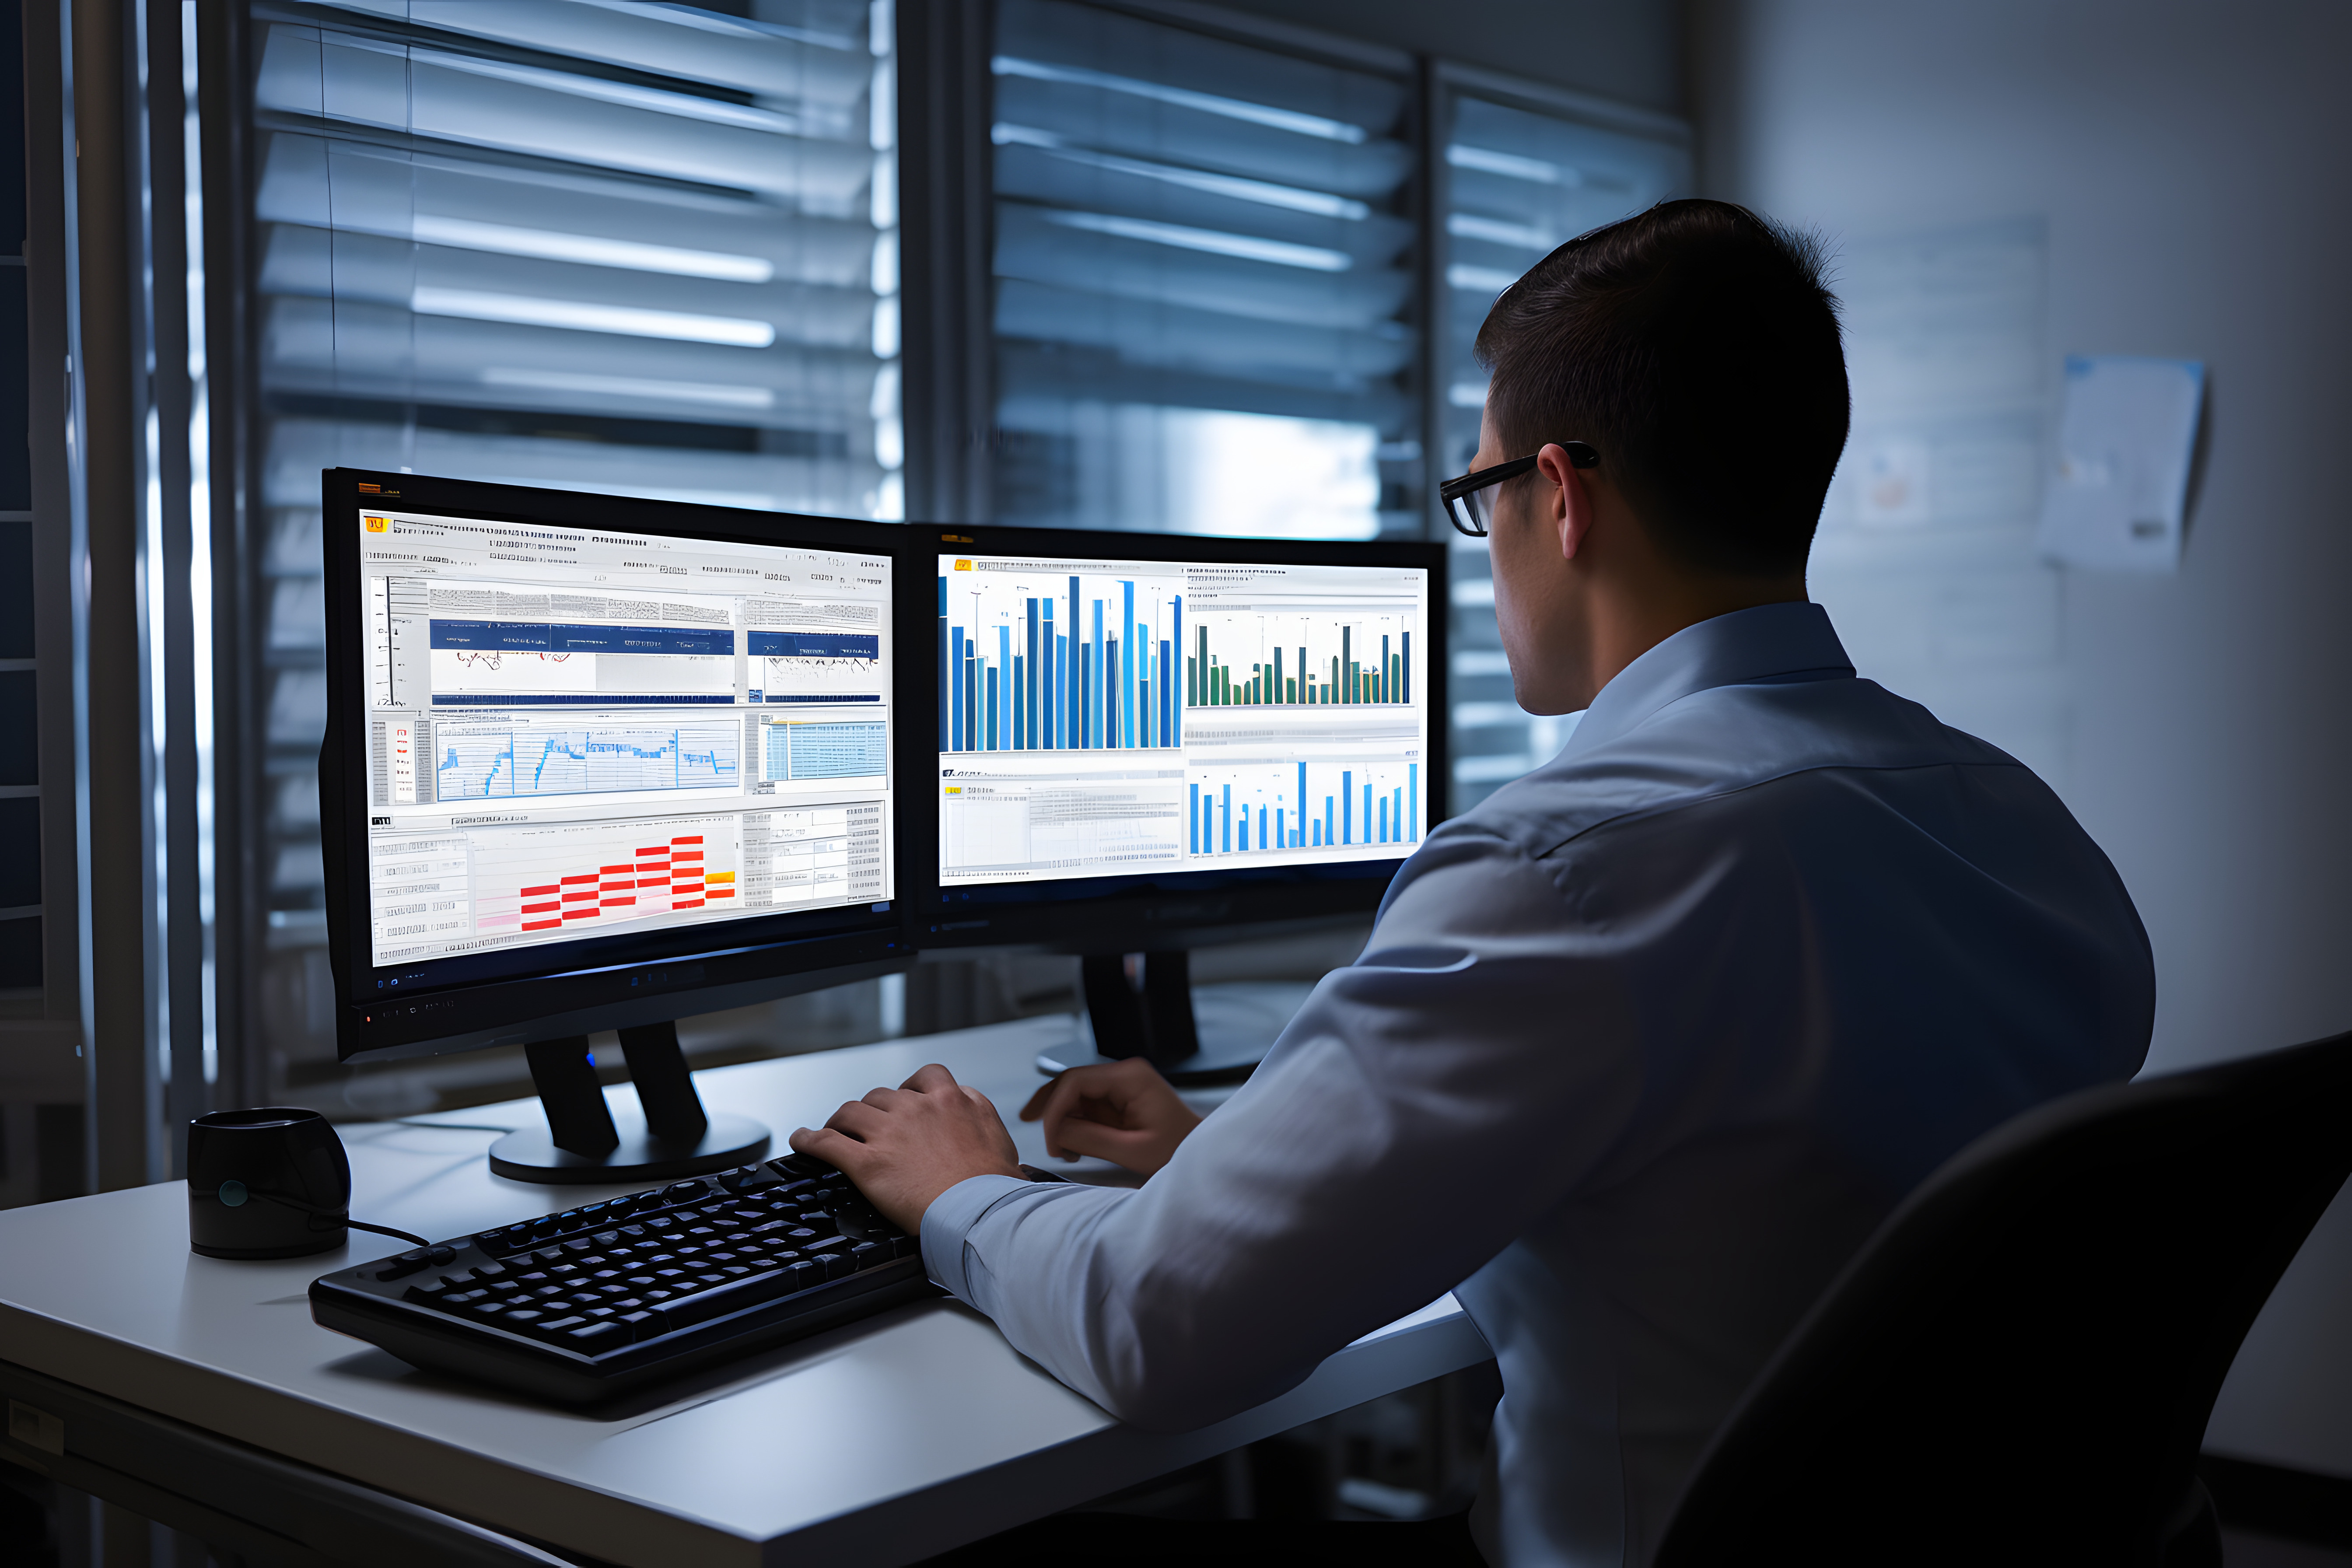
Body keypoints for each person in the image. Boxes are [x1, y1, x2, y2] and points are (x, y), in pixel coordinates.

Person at [792, 199, 2155, 1568]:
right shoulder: (2022, 827)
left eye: (1481, 493)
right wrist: (1232, 1159)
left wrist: (964, 1191)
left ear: (1559, 498)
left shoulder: (1564, 870)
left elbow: (1159, 1329)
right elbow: (1739, 1196)